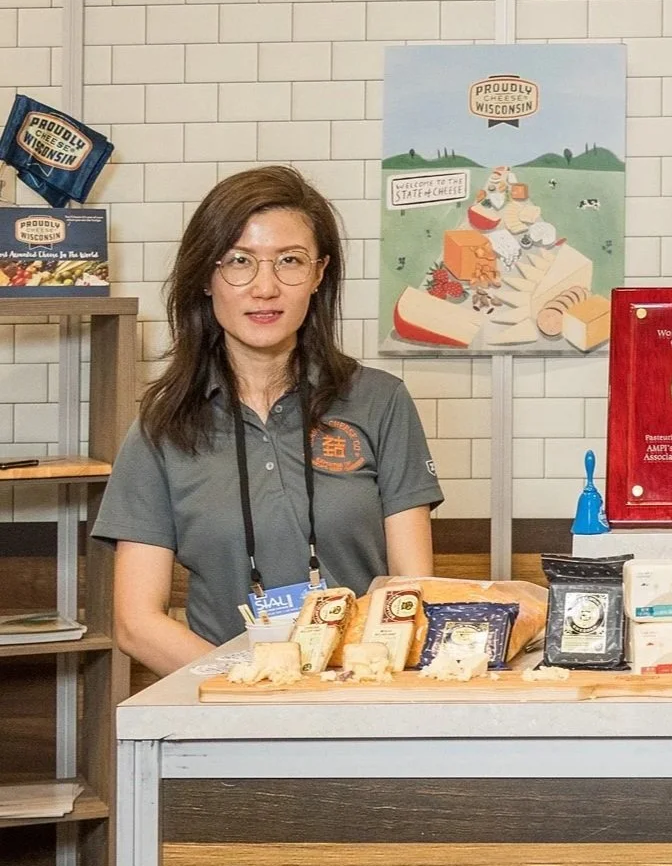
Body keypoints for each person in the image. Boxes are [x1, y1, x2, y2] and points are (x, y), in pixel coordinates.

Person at [95, 165, 442, 675]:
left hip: (362, 697)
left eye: (290, 262)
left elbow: (413, 588)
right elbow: (136, 622)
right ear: (207, 278)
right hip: (227, 707)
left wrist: (341, 689)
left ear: (319, 274)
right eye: (239, 261)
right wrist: (253, 684)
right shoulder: (162, 424)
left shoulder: (380, 401)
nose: (265, 287)